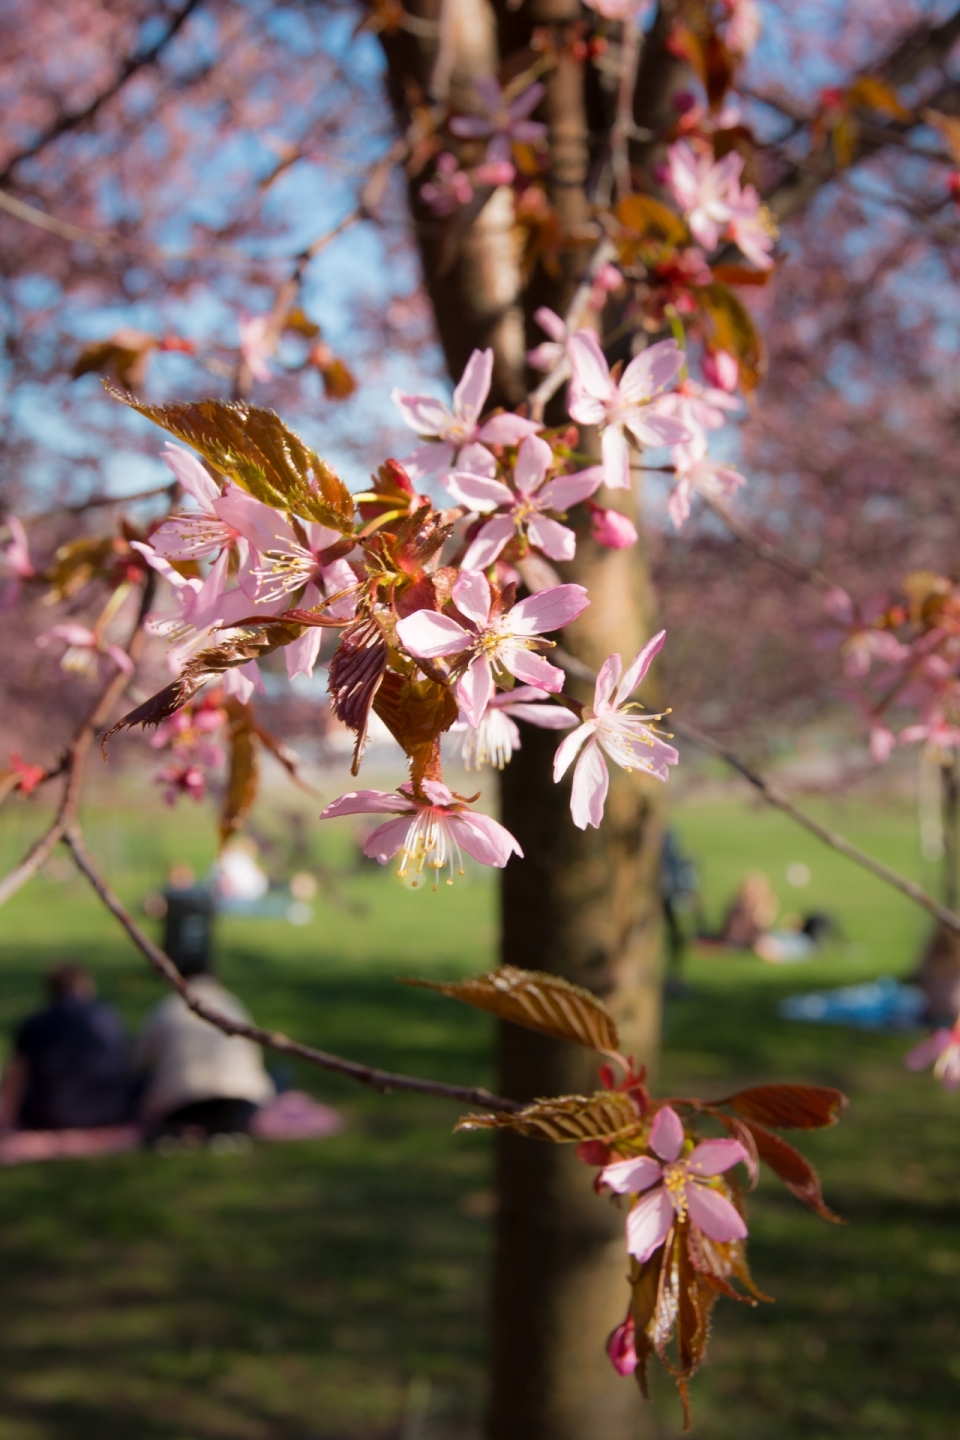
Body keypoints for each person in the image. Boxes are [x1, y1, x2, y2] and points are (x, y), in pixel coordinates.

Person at [134, 949, 274, 1142]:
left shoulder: (167, 1007)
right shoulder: (232, 1003)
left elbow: (140, 1062)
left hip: (180, 1105)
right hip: (241, 1101)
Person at [0, 964, 133, 1131]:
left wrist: (5, 1121)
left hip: (49, 1117)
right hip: (109, 1113)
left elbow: (16, 1076)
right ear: (83, 985)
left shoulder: (35, 1023)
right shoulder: (108, 1017)